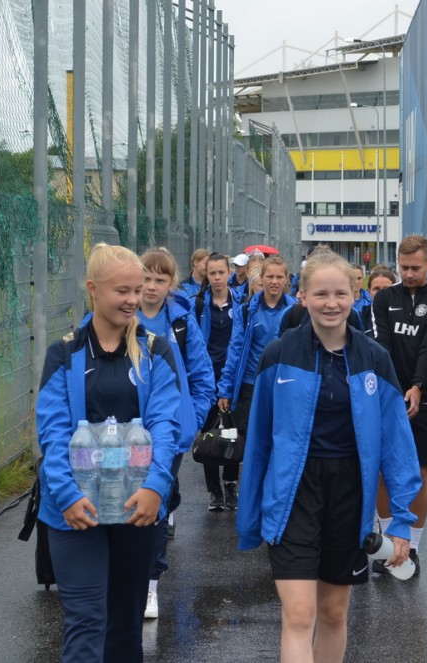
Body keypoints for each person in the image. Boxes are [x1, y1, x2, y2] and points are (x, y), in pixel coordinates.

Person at [236, 251, 422, 663]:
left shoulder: (375, 359)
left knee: (334, 613)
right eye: (320, 293)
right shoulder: (278, 355)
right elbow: (259, 443)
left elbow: (397, 445)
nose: (331, 303)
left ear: (355, 295)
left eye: (340, 293)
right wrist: (250, 517)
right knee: (299, 614)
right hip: (293, 494)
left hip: (349, 497)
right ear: (302, 296)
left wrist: (402, 520)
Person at [35, 243, 182, 661]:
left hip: (137, 508)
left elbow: (166, 427)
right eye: (123, 291)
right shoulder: (64, 354)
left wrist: (155, 488)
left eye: (138, 289)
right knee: (85, 623)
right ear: (93, 290)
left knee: (125, 629)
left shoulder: (155, 350)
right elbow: (53, 433)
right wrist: (67, 495)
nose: (134, 299)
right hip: (77, 511)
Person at [137, 247, 214, 619]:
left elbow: (201, 375)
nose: (152, 286)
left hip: (169, 430)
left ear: (171, 283)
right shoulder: (121, 314)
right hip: (128, 430)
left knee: (156, 500)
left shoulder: (182, 322)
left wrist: (192, 418)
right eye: (146, 278)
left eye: (160, 279)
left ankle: (150, 585)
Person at [370, 235, 427, 575]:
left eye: (415, 268)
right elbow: (382, 346)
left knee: (419, 473)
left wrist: (417, 386)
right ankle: (389, 543)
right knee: (383, 472)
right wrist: (393, 392)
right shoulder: (383, 299)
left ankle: (412, 547)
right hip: (388, 396)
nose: (408, 274)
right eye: (403, 267)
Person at [217, 256, 296, 465]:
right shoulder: (247, 310)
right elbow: (235, 350)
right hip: (251, 385)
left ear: (286, 279)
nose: (274, 281)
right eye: (270, 276)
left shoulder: (296, 311)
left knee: (279, 440)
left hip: (283, 385)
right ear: (261, 278)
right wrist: (225, 388)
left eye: (279, 277)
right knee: (250, 442)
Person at [194, 252, 242, 511]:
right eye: (212, 273)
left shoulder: (241, 303)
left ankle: (230, 485)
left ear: (229, 273)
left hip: (232, 377)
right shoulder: (199, 305)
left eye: (221, 272)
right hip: (206, 379)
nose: (217, 277)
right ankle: (213, 490)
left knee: (232, 432)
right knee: (209, 434)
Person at [361, 265, 397, 335]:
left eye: (386, 289)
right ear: (369, 291)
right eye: (376, 289)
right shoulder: (360, 318)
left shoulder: (405, 318)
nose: (381, 293)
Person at [351, 264, 372, 332]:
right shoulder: (339, 302)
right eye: (352, 279)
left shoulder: (370, 300)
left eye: (359, 278)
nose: (356, 282)